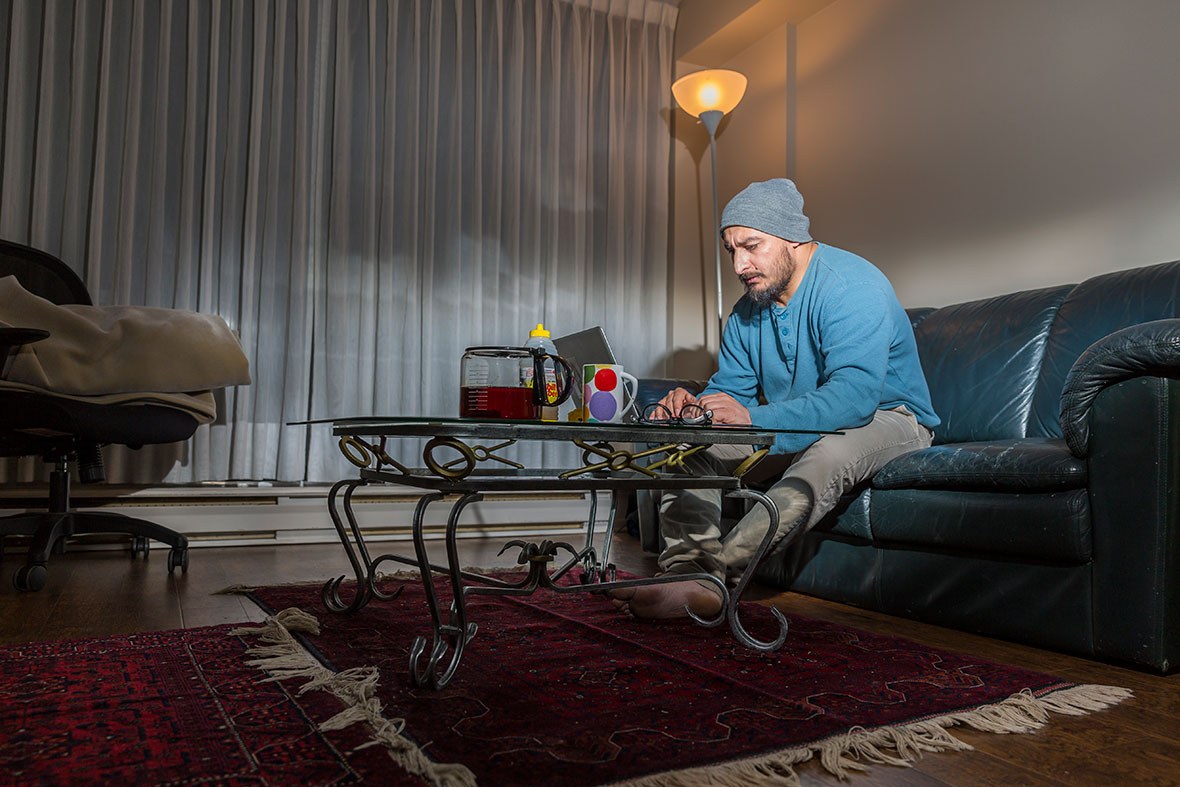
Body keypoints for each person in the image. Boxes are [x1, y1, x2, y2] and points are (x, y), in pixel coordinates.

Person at [615, 178, 939, 619]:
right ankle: (686, 573)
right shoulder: (747, 311)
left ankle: (716, 579)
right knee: (685, 446)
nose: (739, 264)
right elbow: (731, 389)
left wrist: (750, 416)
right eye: (732, 250)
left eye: (751, 246)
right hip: (799, 420)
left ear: (794, 238)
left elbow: (853, 399)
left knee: (828, 453)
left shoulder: (852, 286)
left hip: (888, 417)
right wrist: (695, 408)